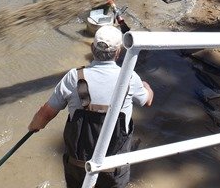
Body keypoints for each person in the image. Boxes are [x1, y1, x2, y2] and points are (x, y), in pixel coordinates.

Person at [28, 24, 154, 188]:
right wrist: (147, 87)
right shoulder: (130, 78)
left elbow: (45, 114)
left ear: (93, 48)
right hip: (114, 168)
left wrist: (34, 126)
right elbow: (147, 101)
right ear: (118, 52)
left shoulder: (74, 77)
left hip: (78, 167)